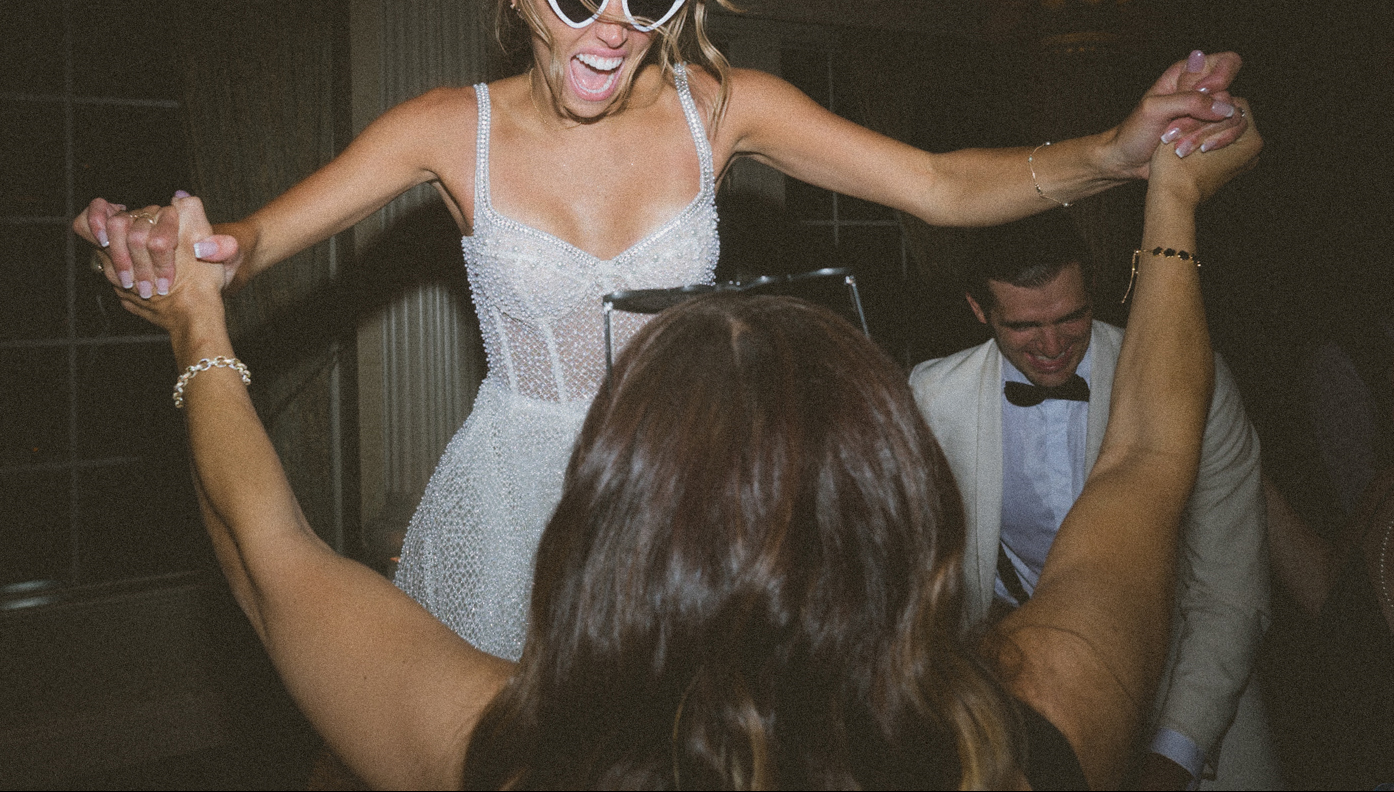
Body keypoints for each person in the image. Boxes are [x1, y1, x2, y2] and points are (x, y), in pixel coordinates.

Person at [75, 0, 1248, 660]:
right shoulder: (444, 128)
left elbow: (938, 186)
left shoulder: (718, 107)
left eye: (642, 0)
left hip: (685, 478)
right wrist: (176, 248)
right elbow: (247, 242)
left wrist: (1116, 150)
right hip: (516, 498)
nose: (609, 30)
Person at [111, 99, 1260, 789]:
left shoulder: (514, 758)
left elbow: (271, 554)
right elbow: (1148, 459)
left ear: (613, 531)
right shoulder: (1026, 732)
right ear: (900, 513)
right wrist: (1171, 198)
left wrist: (194, 323)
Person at [908, 210, 1274, 789]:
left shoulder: (1190, 378)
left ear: (1094, 290)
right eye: (1025, 325)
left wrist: (1175, 751)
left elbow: (1229, 590)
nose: (1053, 345)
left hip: (1182, 669)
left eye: (1071, 317)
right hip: (1008, 681)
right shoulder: (930, 400)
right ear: (979, 310)